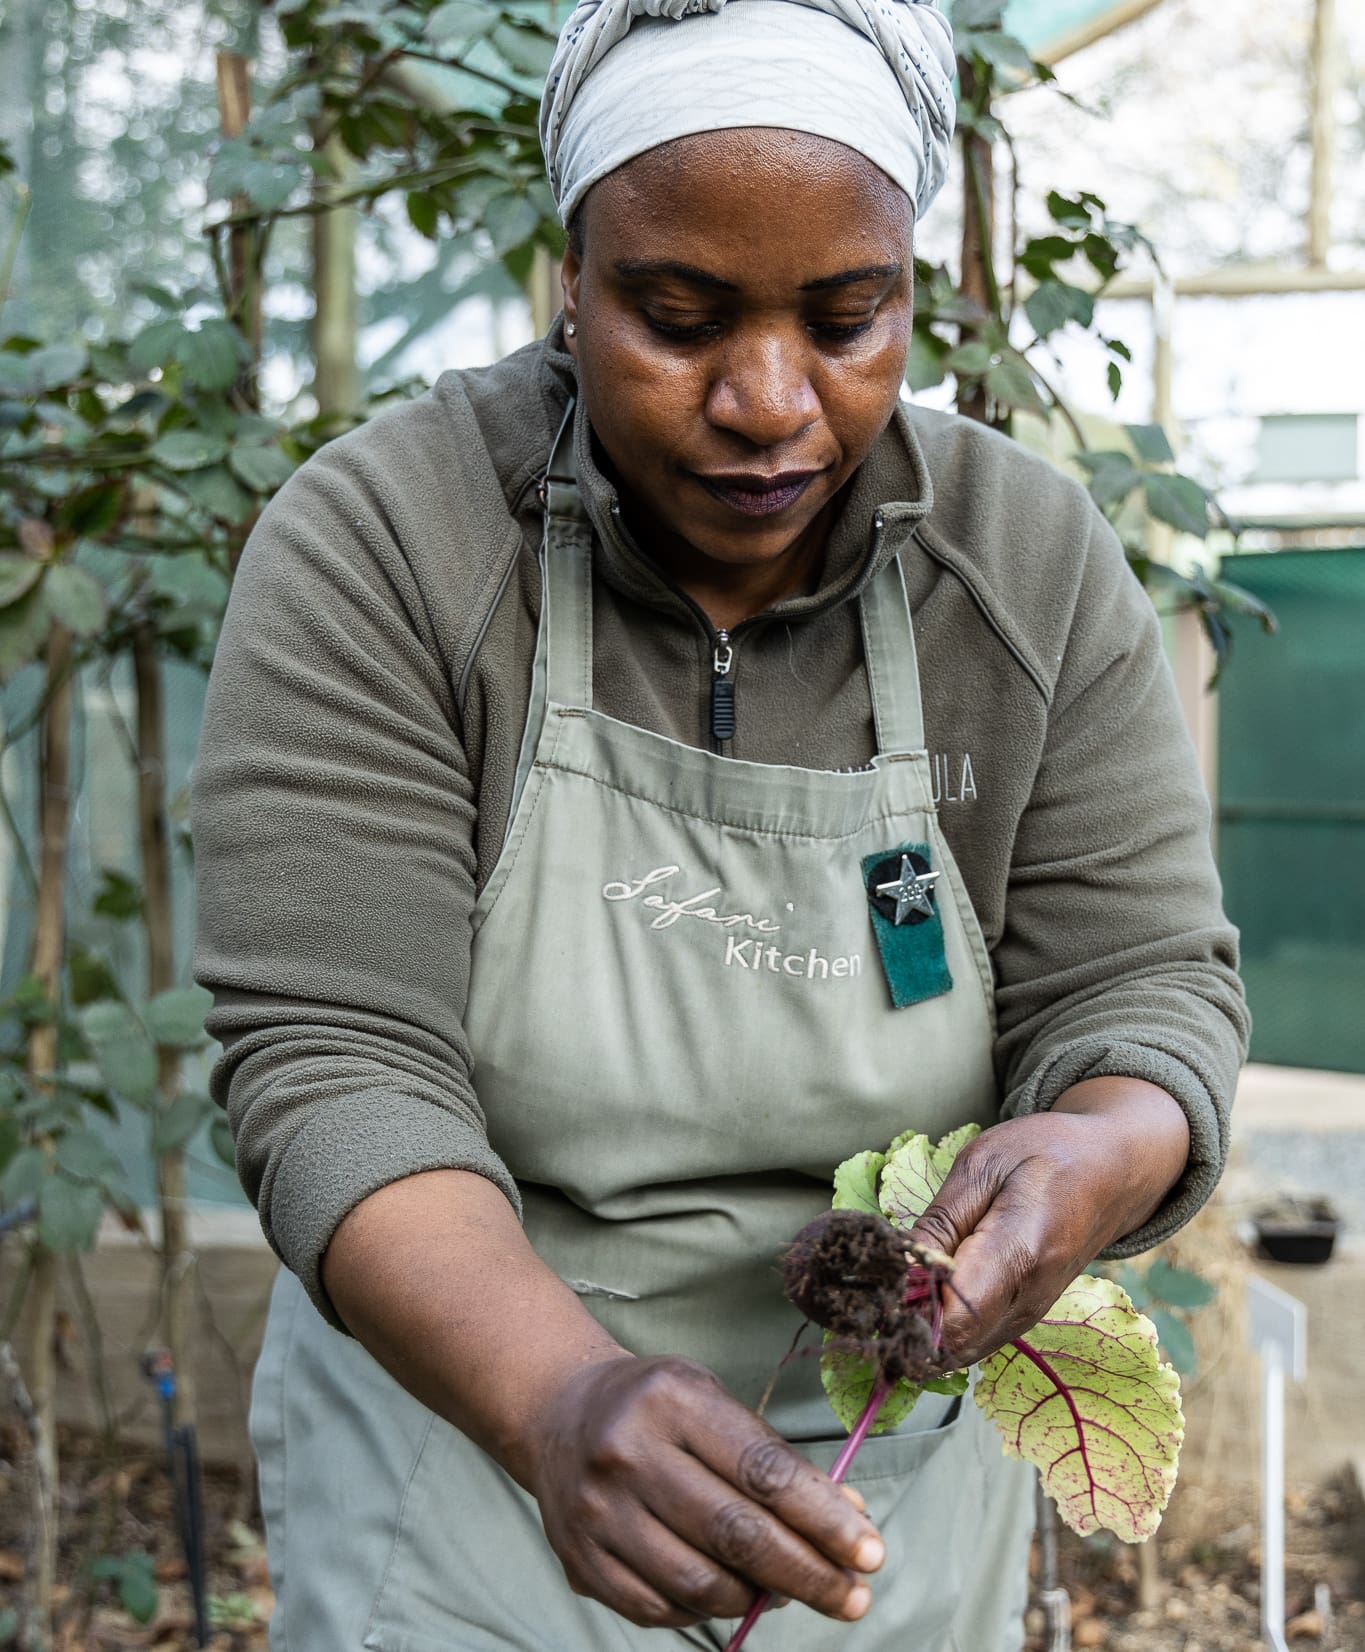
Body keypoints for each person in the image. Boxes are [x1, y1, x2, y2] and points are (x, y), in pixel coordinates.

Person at [191, 2, 1249, 1647]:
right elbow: (333, 1060)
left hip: (887, 1491)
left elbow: (1145, 990)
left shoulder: (1020, 570)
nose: (769, 403)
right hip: (468, 1458)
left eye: (848, 317)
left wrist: (1096, 1147)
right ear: (572, 273)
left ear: (913, 284)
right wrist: (550, 1399)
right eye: (677, 317)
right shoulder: (389, 546)